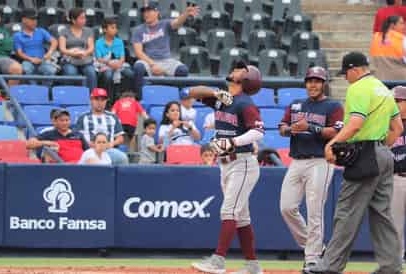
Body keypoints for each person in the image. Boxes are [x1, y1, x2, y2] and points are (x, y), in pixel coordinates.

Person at [304, 52, 404, 274]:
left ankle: (330, 266)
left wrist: (333, 143)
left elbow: (356, 123)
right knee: (382, 214)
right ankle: (392, 266)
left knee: (346, 211)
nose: (346, 78)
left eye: (346, 73)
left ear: (355, 69)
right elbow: (397, 128)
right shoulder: (383, 89)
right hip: (384, 155)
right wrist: (381, 149)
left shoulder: (358, 88)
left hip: (365, 153)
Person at [188, 61, 264, 274]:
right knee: (241, 217)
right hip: (226, 164)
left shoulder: (245, 103)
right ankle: (252, 266)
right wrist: (215, 93)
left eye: (242, 70)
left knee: (229, 211)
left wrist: (234, 142)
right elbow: (190, 92)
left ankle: (218, 260)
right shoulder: (224, 100)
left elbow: (258, 133)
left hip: (242, 162)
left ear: (247, 79)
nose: (235, 69)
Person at [278, 66, 344, 270]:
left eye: (317, 81)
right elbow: (282, 128)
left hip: (320, 161)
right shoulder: (296, 104)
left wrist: (310, 127)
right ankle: (315, 247)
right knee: (287, 207)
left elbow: (336, 132)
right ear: (305, 83)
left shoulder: (333, 105)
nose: (313, 84)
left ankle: (313, 258)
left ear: (324, 84)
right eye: (310, 81)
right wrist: (291, 129)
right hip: (297, 160)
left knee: (315, 210)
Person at [131, 1, 198, 99]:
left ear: (157, 12)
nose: (146, 14)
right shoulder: (139, 30)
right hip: (148, 61)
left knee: (182, 70)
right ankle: (140, 99)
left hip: (166, 60)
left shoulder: (165, 24)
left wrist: (186, 14)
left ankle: (180, 99)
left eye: (149, 11)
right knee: (138, 67)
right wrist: (153, 64)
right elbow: (138, 52)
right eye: (144, 12)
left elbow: (177, 22)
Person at [75, 88, 129, 165]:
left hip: (108, 150)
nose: (100, 102)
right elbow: (78, 137)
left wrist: (111, 144)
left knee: (122, 158)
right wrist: (87, 143)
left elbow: (120, 138)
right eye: (97, 99)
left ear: (106, 101)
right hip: (89, 149)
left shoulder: (113, 117)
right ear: (91, 100)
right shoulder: (83, 117)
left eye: (103, 100)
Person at [13, 8, 58, 86]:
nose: (35, 22)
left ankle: (46, 91)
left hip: (42, 59)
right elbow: (19, 53)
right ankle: (34, 90)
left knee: (50, 70)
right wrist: (31, 59)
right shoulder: (18, 35)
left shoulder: (41, 31)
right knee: (26, 69)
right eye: (32, 19)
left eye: (36, 19)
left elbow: (54, 41)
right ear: (24, 20)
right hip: (28, 60)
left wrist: (49, 53)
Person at [95, 17, 134, 102]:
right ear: (105, 29)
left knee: (129, 73)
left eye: (116, 28)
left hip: (118, 65)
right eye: (112, 27)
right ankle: (108, 99)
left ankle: (123, 97)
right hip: (105, 65)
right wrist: (109, 63)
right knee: (108, 75)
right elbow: (99, 58)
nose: (115, 30)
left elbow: (122, 57)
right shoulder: (99, 42)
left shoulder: (119, 42)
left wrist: (119, 63)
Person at [59, 7, 97, 91]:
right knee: (70, 73)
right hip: (69, 58)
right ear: (73, 20)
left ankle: (92, 97)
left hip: (84, 59)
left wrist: (84, 53)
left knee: (91, 73)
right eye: (81, 18)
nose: (84, 20)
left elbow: (91, 47)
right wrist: (73, 53)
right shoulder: (64, 31)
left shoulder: (89, 31)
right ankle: (71, 97)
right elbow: (62, 49)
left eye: (84, 18)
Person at [390, 85, 406, 263]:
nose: (394, 105)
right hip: (396, 178)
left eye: (398, 101)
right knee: (395, 226)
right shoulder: (386, 125)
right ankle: (395, 264)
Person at [0, 7, 22, 97]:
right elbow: (1, 45)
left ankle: (9, 97)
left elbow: (7, 47)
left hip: (3, 58)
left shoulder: (4, 32)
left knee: (17, 68)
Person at [370, 15, 406, 80]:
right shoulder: (402, 39)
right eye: (401, 23)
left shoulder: (376, 37)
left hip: (380, 78)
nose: (404, 26)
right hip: (400, 80)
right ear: (392, 25)